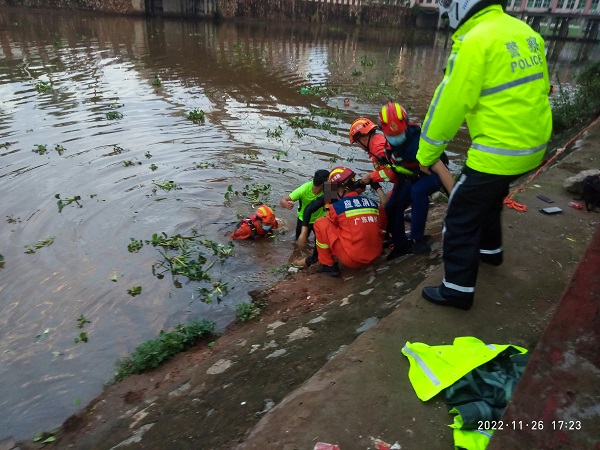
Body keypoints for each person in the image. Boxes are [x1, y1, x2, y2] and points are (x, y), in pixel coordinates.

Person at [416, 0, 552, 310]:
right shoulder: (524, 32)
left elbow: (447, 107)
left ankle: (457, 290)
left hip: (498, 150)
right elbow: (541, 89)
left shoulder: (475, 41)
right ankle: (491, 252)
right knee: (489, 200)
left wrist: (426, 155)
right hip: (531, 147)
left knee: (460, 215)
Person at [295, 166, 387, 277]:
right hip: (376, 253)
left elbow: (328, 224)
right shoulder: (372, 203)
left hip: (355, 260)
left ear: (340, 190)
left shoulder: (338, 207)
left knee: (321, 223)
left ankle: (327, 265)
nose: (330, 192)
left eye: (331, 189)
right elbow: (383, 224)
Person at [279, 169, 330, 245]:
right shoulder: (303, 189)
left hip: (320, 219)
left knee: (321, 243)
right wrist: (285, 204)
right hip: (303, 219)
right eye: (329, 180)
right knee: (298, 244)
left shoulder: (329, 188)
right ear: (323, 183)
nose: (332, 182)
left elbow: (330, 205)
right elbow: (282, 201)